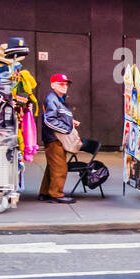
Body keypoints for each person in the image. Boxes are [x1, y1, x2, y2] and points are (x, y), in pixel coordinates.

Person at [39, 73, 78, 204]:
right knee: (60, 167)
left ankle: (45, 192)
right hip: (55, 138)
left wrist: (70, 121)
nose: (64, 86)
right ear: (53, 85)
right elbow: (49, 120)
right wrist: (67, 129)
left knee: (53, 166)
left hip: (55, 138)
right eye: (61, 83)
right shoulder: (52, 99)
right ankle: (56, 194)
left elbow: (57, 117)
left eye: (66, 84)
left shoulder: (57, 98)